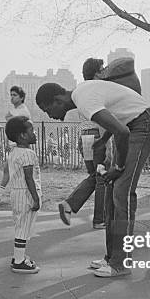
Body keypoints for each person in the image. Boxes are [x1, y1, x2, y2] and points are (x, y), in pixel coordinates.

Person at [36, 79, 150, 278]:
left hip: (143, 124)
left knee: (123, 192)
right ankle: (111, 257)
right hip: (133, 124)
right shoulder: (81, 95)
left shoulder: (84, 100)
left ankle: (121, 263)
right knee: (111, 187)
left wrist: (119, 166)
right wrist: (102, 141)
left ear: (58, 100)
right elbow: (117, 120)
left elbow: (122, 131)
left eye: (46, 109)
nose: (48, 114)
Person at [58, 58, 110, 230]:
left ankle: (69, 205)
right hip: (97, 136)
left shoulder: (81, 90)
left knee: (95, 176)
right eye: (102, 69)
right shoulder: (99, 89)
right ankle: (99, 219)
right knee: (101, 177)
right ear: (96, 73)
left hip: (84, 136)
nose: (104, 72)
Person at [0, 116, 41, 273]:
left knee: (20, 225)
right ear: (22, 135)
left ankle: (18, 255)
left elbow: (7, 171)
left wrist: (0, 190)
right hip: (26, 194)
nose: (34, 133)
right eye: (31, 130)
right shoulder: (28, 153)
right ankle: (19, 261)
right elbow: (29, 178)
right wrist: (36, 198)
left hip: (16, 193)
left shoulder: (13, 152)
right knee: (23, 227)